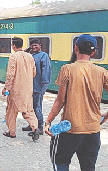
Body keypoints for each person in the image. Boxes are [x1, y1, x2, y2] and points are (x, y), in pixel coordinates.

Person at [44, 34, 108, 171]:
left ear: (75, 48)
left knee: (60, 163)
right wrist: (106, 116)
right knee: (88, 167)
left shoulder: (67, 69)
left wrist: (48, 122)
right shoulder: (102, 72)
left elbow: (60, 100)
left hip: (70, 130)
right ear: (94, 52)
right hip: (93, 131)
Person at [2, 37, 39, 141]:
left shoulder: (13, 56)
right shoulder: (30, 56)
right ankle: (35, 128)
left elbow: (10, 74)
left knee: (11, 110)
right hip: (28, 88)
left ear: (13, 45)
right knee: (28, 109)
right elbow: (34, 72)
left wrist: (6, 88)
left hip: (16, 89)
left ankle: (12, 132)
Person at [22, 39, 51, 135]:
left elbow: (46, 71)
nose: (34, 47)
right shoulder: (30, 55)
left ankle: (39, 128)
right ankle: (32, 125)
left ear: (40, 45)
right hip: (29, 85)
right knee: (30, 107)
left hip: (38, 86)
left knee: (37, 107)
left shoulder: (44, 56)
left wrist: (44, 86)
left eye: (36, 45)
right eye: (32, 46)